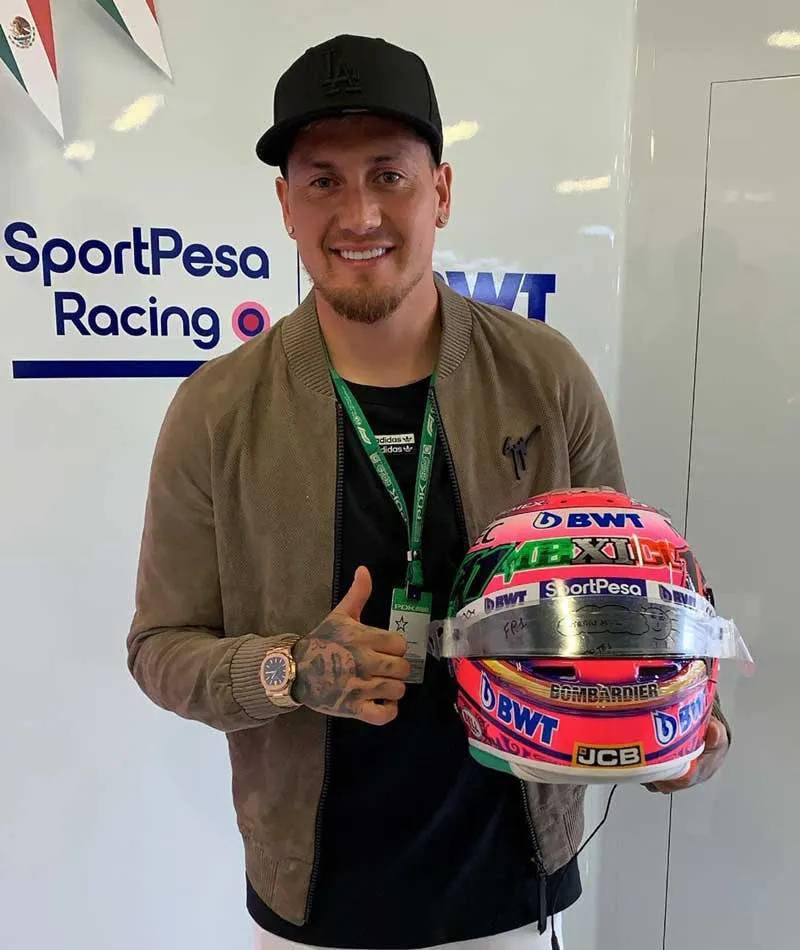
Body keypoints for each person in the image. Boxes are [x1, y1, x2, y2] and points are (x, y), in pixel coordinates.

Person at [126, 33, 730, 950]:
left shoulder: (544, 375)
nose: (359, 211)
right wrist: (290, 670)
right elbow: (159, 649)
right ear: (285, 204)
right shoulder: (216, 410)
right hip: (315, 907)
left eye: (390, 175)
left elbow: (634, 584)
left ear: (440, 191)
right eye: (323, 179)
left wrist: (680, 714)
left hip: (514, 889)